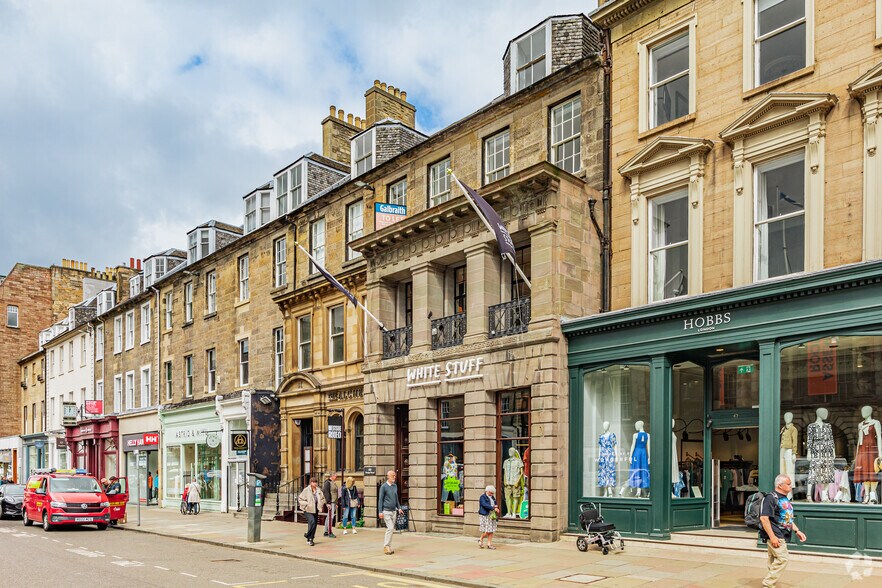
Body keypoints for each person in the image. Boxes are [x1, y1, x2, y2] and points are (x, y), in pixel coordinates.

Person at [760, 474, 807, 587]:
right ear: (780, 486)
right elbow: (764, 518)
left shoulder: (784, 498)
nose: (792, 486)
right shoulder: (770, 498)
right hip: (776, 534)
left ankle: (770, 582)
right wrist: (772, 537)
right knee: (783, 559)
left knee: (773, 560)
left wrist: (797, 531)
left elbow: (787, 517)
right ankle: (768, 584)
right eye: (789, 484)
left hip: (782, 533)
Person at [378, 470, 404, 555]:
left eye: (395, 476)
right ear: (388, 476)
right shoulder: (383, 487)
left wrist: (399, 508)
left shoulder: (395, 486)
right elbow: (380, 499)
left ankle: (388, 546)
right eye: (393, 475)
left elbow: (396, 498)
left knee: (391, 529)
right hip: (386, 511)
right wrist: (380, 511)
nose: (394, 477)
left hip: (394, 511)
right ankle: (386, 546)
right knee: (390, 528)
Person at [298, 477, 326, 546]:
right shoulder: (306, 490)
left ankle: (310, 539)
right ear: (311, 483)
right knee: (312, 521)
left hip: (315, 509)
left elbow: (323, 499)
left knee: (314, 524)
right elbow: (300, 499)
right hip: (307, 509)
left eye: (316, 482)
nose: (315, 483)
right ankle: (308, 535)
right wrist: (306, 504)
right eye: (313, 482)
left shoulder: (318, 490)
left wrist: (321, 503)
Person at [478, 485, 500, 549]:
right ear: (487, 491)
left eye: (493, 493)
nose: (492, 494)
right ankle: (480, 539)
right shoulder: (483, 497)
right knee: (487, 530)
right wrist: (493, 508)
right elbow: (484, 505)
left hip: (492, 514)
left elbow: (495, 504)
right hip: (485, 514)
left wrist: (497, 508)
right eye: (491, 493)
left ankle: (489, 544)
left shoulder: (492, 497)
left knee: (492, 530)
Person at [322, 472, 339, 538]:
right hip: (331, 502)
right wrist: (328, 503)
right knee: (330, 517)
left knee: (329, 517)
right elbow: (326, 493)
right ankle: (330, 532)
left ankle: (326, 531)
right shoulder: (327, 483)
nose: (336, 477)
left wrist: (336, 503)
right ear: (332, 476)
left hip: (334, 502)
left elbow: (335, 493)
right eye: (335, 476)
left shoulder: (333, 482)